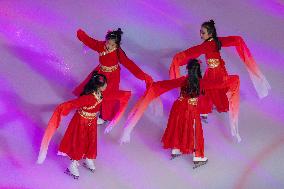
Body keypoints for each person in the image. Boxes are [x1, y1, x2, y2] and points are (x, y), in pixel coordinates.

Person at [169, 20, 270, 140]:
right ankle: (206, 109)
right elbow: (233, 40)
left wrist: (180, 56)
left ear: (210, 33)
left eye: (203, 32)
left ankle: (209, 109)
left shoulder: (208, 44)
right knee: (208, 89)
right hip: (215, 70)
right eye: (200, 32)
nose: (201, 35)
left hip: (217, 72)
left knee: (211, 88)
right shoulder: (216, 41)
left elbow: (194, 51)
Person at [74, 28, 153, 125]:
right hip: (100, 72)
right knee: (92, 88)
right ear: (106, 41)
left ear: (117, 45)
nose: (109, 46)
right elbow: (90, 42)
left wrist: (141, 75)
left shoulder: (118, 52)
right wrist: (81, 34)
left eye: (113, 45)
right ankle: (88, 104)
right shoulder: (101, 45)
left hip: (112, 76)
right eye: (108, 43)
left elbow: (129, 64)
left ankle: (104, 117)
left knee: (108, 95)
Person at [37, 72, 108, 179]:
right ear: (98, 86)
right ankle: (73, 164)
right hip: (81, 122)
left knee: (92, 140)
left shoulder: (99, 93)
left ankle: (89, 158)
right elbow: (73, 103)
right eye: (105, 84)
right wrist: (62, 107)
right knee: (80, 141)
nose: (106, 86)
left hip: (91, 121)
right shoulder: (89, 98)